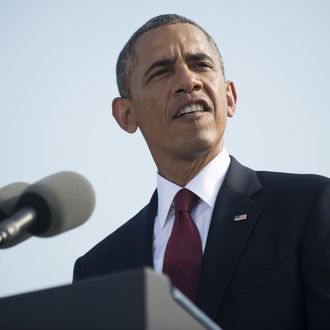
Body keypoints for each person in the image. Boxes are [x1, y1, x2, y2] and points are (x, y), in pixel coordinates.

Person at [73, 14, 330, 329]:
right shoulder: (99, 269)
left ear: (229, 97)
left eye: (201, 65)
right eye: (162, 72)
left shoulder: (309, 207)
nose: (187, 81)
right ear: (126, 114)